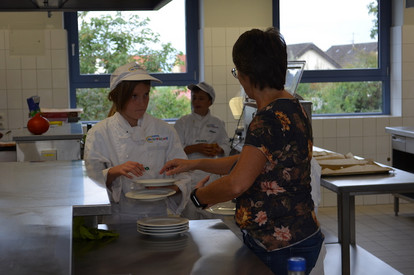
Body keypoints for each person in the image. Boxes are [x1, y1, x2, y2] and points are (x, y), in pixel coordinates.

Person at [160, 28, 324, 275]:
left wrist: (199, 196)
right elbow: (247, 161)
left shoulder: (267, 118)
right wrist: (193, 164)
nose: (238, 79)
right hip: (300, 234)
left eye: (237, 71)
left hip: (278, 243)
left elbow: (237, 183)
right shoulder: (292, 106)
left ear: (248, 74)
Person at [84, 61, 191, 224]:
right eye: (134, 96)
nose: (142, 103)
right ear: (117, 96)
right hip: (119, 219)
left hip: (159, 217)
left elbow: (184, 173)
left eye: (146, 95)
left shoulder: (164, 130)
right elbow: (90, 184)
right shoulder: (99, 133)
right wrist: (114, 172)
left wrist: (171, 189)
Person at [174, 81, 230, 219]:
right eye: (194, 98)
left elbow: (226, 144)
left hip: (210, 175)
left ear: (210, 101)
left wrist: (219, 149)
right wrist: (195, 148)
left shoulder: (218, 123)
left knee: (211, 215)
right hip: (189, 175)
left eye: (201, 98)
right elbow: (175, 150)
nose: (196, 101)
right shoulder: (182, 122)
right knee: (189, 215)